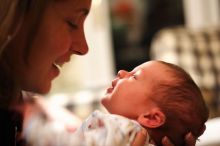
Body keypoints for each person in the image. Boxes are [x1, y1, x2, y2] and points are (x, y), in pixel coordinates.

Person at [0, 0, 196, 146]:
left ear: (152, 118)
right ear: (14, 16)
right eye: (72, 22)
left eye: (135, 76)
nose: (84, 48)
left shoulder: (126, 129)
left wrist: (34, 125)